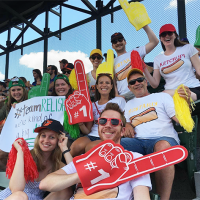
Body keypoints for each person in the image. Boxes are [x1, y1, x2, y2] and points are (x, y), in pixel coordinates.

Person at [39, 103, 152, 200]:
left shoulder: (135, 158)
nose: (107, 125)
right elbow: (45, 184)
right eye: (102, 121)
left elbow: (142, 196)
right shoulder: (84, 159)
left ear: (122, 131)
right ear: (98, 129)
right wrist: (83, 175)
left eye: (114, 122)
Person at [120, 68, 185, 200]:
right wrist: (127, 125)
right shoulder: (128, 104)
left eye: (140, 79)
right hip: (137, 142)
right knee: (113, 145)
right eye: (133, 82)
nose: (137, 83)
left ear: (146, 82)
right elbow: (127, 123)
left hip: (163, 139)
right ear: (129, 87)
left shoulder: (162, 96)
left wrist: (186, 103)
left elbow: (179, 118)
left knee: (162, 147)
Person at [0, 119, 73, 200]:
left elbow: (76, 172)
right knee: (20, 196)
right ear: (39, 137)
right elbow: (15, 189)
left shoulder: (57, 165)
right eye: (43, 135)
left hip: (36, 198)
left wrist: (64, 148)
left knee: (67, 191)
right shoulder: (28, 156)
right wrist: (20, 153)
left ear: (58, 140)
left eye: (52, 137)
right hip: (13, 197)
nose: (46, 140)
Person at [70, 73, 126, 157]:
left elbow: (124, 121)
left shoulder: (119, 100)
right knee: (75, 147)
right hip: (92, 135)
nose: (104, 85)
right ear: (96, 86)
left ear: (111, 86)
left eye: (107, 83)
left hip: (109, 134)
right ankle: (66, 168)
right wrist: (80, 124)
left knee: (90, 147)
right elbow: (87, 131)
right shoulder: (91, 105)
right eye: (101, 82)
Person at [144, 24, 200, 101]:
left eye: (169, 33)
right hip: (169, 93)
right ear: (160, 38)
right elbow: (155, 84)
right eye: (163, 34)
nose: (167, 36)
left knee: (171, 96)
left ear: (175, 35)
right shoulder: (158, 59)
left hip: (192, 89)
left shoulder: (188, 48)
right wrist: (144, 69)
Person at [111, 26, 159, 101]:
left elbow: (154, 42)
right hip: (123, 96)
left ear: (125, 42)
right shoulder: (111, 62)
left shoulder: (135, 52)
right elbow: (113, 80)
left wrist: (144, 26)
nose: (118, 43)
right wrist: (116, 94)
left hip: (140, 90)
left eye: (120, 40)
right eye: (115, 42)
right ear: (112, 46)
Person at [0, 78, 28, 171]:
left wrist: (20, 108)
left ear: (24, 90)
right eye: (13, 90)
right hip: (10, 139)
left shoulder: (31, 102)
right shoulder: (7, 104)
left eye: (19, 89)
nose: (16, 92)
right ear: (10, 92)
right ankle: (9, 178)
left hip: (27, 139)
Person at [51, 74, 80, 146]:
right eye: (57, 85)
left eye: (63, 84)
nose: (60, 87)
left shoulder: (77, 101)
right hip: (53, 137)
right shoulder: (49, 103)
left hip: (71, 138)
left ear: (69, 86)